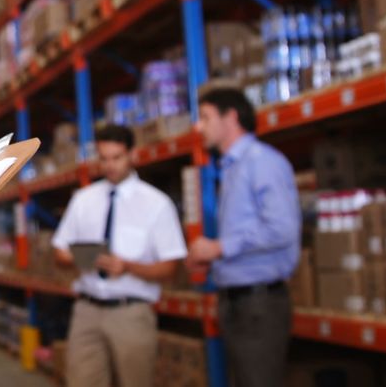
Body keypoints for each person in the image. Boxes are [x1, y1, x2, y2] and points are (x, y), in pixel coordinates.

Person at [52, 124, 187, 387]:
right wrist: (84, 259)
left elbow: (170, 268)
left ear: (132, 155)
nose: (110, 165)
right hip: (87, 310)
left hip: (131, 313)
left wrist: (127, 267)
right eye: (104, 158)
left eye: (117, 157)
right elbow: (59, 254)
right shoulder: (83, 200)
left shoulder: (156, 205)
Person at [186, 87, 300, 387]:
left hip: (259, 303)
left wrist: (219, 248)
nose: (199, 127)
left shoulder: (261, 162)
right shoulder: (232, 168)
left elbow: (282, 227)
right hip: (238, 300)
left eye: (206, 117)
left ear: (231, 117)